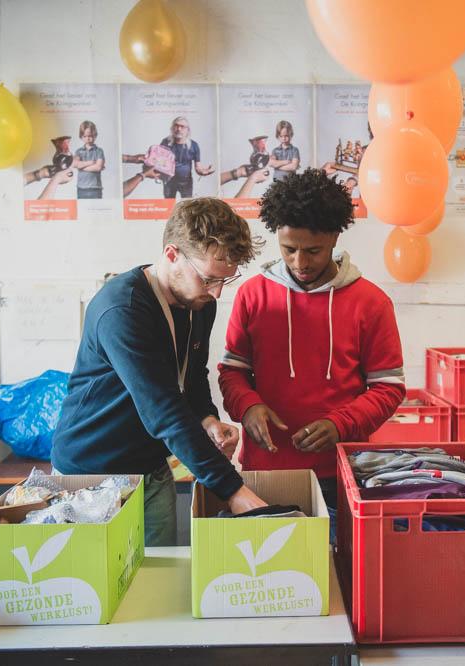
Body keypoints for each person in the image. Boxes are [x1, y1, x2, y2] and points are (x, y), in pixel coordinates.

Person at [51, 198, 267, 546]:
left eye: (226, 280)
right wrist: (232, 490)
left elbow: (192, 375)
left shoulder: (199, 303)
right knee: (95, 575)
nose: (217, 292)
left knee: (161, 574)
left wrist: (207, 418)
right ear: (171, 254)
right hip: (90, 473)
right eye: (209, 279)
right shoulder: (122, 309)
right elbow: (162, 410)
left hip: (151, 468)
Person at [218, 168, 406, 530]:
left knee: (334, 563)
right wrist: (248, 406)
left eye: (313, 251)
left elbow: (388, 387)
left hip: (342, 471)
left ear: (335, 237)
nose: (300, 262)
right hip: (265, 470)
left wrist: (340, 424)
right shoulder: (253, 295)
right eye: (289, 249)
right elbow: (232, 372)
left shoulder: (371, 303)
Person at [160, 116, 214, 199]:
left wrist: (204, 172)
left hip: (186, 183)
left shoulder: (194, 145)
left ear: (188, 130)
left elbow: (198, 168)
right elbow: (159, 161)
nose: (179, 129)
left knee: (187, 205)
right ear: (172, 128)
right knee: (169, 205)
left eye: (182, 127)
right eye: (176, 125)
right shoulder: (165, 142)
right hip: (169, 182)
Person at [73, 120, 105, 199]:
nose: (87, 138)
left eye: (90, 136)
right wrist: (91, 162)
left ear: (95, 135)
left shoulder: (99, 151)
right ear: (81, 137)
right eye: (85, 136)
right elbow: (75, 164)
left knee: (96, 206)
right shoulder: (79, 151)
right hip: (81, 188)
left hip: (95, 188)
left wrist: (81, 167)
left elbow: (98, 167)